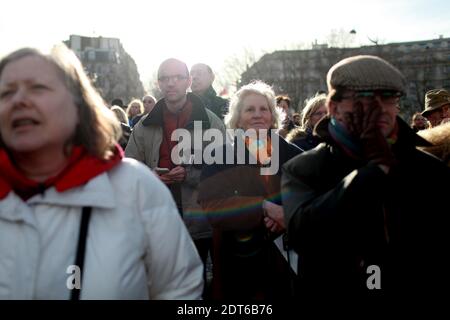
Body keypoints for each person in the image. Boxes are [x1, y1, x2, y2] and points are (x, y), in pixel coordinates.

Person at [0, 45, 203, 299]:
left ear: (77, 105)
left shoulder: (134, 187)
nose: (19, 100)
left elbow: (181, 288)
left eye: (38, 88)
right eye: (6, 92)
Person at [281, 55, 450, 297]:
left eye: (388, 98)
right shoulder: (304, 169)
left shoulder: (428, 169)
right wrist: (373, 172)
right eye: (364, 99)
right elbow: (305, 235)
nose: (379, 108)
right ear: (334, 107)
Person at [125, 58, 225, 298]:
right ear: (159, 83)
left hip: (202, 215)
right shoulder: (144, 125)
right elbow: (128, 169)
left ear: (188, 82)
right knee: (163, 282)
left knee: (202, 281)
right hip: (159, 214)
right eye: (165, 78)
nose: (171, 83)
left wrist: (189, 173)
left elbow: (225, 170)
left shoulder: (210, 121)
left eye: (178, 77)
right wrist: (150, 177)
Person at [198, 81, 302, 300]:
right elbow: (212, 207)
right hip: (236, 264)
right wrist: (263, 208)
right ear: (238, 119)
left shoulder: (296, 156)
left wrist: (287, 215)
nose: (257, 115)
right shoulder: (219, 155)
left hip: (285, 264)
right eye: (249, 109)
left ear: (273, 116)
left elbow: (311, 199)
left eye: (263, 109)